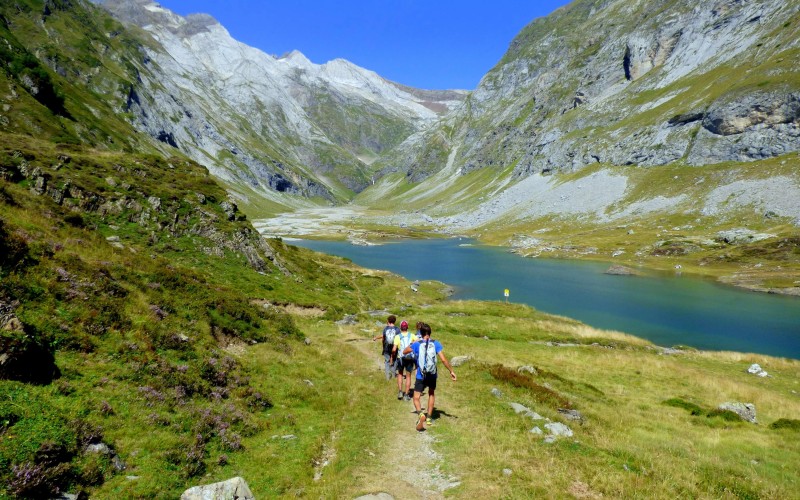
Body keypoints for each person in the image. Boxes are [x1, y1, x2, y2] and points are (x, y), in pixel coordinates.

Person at [403, 322, 456, 431]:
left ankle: (420, 414)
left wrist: (414, 342)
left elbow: (404, 351)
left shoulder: (417, 344)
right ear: (430, 333)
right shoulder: (436, 344)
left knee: (416, 397)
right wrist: (451, 371)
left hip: (420, 375)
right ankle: (429, 418)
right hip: (432, 374)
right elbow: (443, 359)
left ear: (420, 333)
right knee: (431, 393)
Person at [392, 320, 417, 401]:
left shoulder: (397, 336)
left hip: (400, 358)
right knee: (408, 376)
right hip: (410, 358)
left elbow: (394, 349)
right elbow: (418, 344)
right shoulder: (412, 336)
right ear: (407, 327)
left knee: (400, 374)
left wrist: (393, 357)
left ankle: (400, 392)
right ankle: (406, 395)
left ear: (400, 327)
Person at [373, 315, 399, 381]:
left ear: (388, 321)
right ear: (394, 321)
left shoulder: (386, 328)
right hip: (394, 347)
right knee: (395, 360)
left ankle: (387, 377)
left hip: (387, 347)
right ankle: (393, 375)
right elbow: (398, 339)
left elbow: (383, 338)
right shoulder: (397, 329)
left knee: (387, 361)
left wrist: (383, 346)